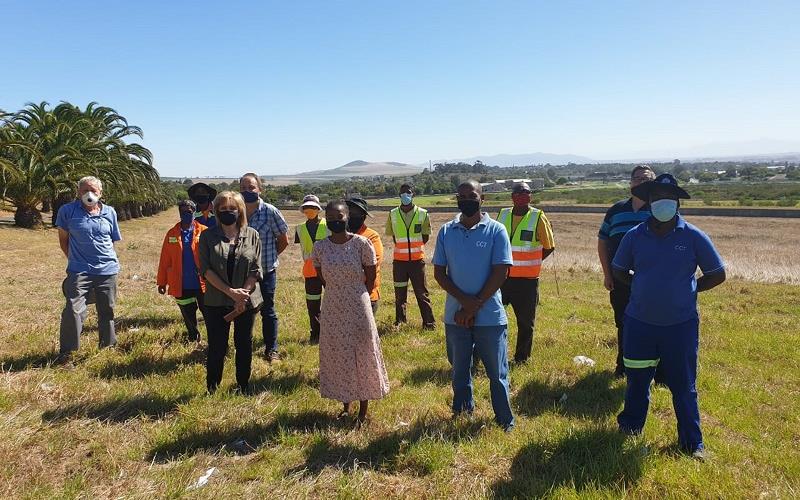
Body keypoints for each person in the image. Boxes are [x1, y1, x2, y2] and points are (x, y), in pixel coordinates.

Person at [612, 173, 726, 460]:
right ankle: (631, 427)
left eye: (669, 199)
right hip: (639, 324)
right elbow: (618, 270)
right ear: (648, 203)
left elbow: (717, 274)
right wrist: (640, 287)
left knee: (683, 386)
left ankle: (692, 443)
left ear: (677, 203)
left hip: (680, 326)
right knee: (637, 381)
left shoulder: (693, 236)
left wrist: (689, 290)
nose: (663, 203)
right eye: (657, 198)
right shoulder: (633, 236)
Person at [433, 181, 515, 431]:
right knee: (459, 370)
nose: (467, 199)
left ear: (483, 198)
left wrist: (472, 306)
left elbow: (501, 271)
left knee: (497, 373)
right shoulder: (446, 231)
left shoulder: (496, 230)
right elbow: (439, 273)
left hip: (489, 316)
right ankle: (462, 413)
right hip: (455, 317)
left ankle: (504, 421)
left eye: (472, 195)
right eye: (462, 196)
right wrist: (465, 303)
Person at [312, 200, 390, 425]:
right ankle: (345, 404)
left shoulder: (362, 244)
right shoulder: (320, 247)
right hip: (333, 304)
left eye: (340, 217)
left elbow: (371, 276)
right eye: (332, 217)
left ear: (347, 217)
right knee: (339, 354)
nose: (337, 221)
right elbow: (322, 276)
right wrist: (339, 291)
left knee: (362, 352)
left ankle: (363, 409)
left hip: (359, 302)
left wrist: (355, 293)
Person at [598, 165, 664, 379]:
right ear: (630, 183)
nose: (640, 182)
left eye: (645, 178)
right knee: (624, 322)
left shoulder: (660, 210)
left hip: (651, 282)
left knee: (655, 323)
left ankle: (657, 370)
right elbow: (603, 242)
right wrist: (607, 274)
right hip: (620, 280)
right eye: (636, 178)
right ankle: (623, 366)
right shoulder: (616, 210)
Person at [198, 191, 263, 394]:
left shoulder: (252, 235)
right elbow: (206, 270)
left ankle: (243, 386)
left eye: (232, 209)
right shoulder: (208, 236)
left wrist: (242, 294)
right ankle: (212, 388)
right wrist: (230, 292)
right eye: (223, 209)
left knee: (244, 344)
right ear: (217, 211)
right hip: (216, 300)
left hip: (245, 300)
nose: (228, 212)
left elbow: (256, 269)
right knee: (217, 346)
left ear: (240, 210)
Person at [56, 176, 121, 361]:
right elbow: (63, 240)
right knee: (73, 309)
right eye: (84, 190)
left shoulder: (110, 212)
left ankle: (108, 347)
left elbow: (112, 241)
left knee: (107, 309)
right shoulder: (67, 211)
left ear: (100, 193)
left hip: (107, 270)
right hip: (79, 270)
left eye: (93, 190)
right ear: (78, 193)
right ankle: (68, 354)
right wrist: (75, 261)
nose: (89, 194)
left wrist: (110, 263)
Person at [495, 182, 555, 364]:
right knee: (493, 319)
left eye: (527, 192)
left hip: (527, 282)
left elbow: (548, 246)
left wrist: (532, 263)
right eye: (519, 192)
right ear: (512, 196)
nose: (523, 195)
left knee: (525, 323)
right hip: (501, 279)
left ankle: (521, 359)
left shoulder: (538, 217)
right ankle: (491, 354)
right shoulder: (502, 214)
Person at [239, 172, 289, 362]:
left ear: (259, 189)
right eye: (243, 188)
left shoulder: (270, 211)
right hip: (242, 273)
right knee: (243, 309)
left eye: (251, 187)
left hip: (266, 271)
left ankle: (272, 349)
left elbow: (283, 240)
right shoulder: (237, 211)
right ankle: (244, 345)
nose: (247, 191)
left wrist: (266, 259)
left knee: (268, 310)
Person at [156, 199, 208, 345]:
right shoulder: (171, 234)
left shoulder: (204, 231)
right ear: (179, 213)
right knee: (187, 313)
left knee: (208, 313)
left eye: (189, 212)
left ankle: (214, 340)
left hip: (203, 282)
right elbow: (164, 259)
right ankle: (193, 338)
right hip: (181, 282)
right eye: (183, 212)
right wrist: (162, 282)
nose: (186, 214)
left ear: (194, 212)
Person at [385, 183, 436, 329]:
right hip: (399, 263)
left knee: (422, 293)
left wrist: (414, 249)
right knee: (399, 294)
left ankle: (429, 323)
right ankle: (400, 322)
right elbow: (394, 237)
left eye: (408, 192)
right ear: (399, 195)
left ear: (413, 194)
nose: (405, 195)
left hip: (417, 262)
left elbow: (425, 237)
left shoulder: (423, 213)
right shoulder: (393, 214)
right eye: (402, 193)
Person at [294, 194, 328, 344]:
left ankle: (331, 332)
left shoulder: (329, 225)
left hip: (328, 271)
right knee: (313, 306)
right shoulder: (299, 229)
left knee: (333, 302)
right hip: (310, 273)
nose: (310, 210)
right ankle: (315, 334)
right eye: (307, 207)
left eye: (313, 207)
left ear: (318, 209)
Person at [346, 196, 384, 315]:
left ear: (363, 216)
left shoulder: (372, 236)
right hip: (345, 295)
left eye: (356, 213)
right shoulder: (340, 235)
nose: (352, 215)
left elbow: (373, 264)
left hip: (367, 293)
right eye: (350, 212)